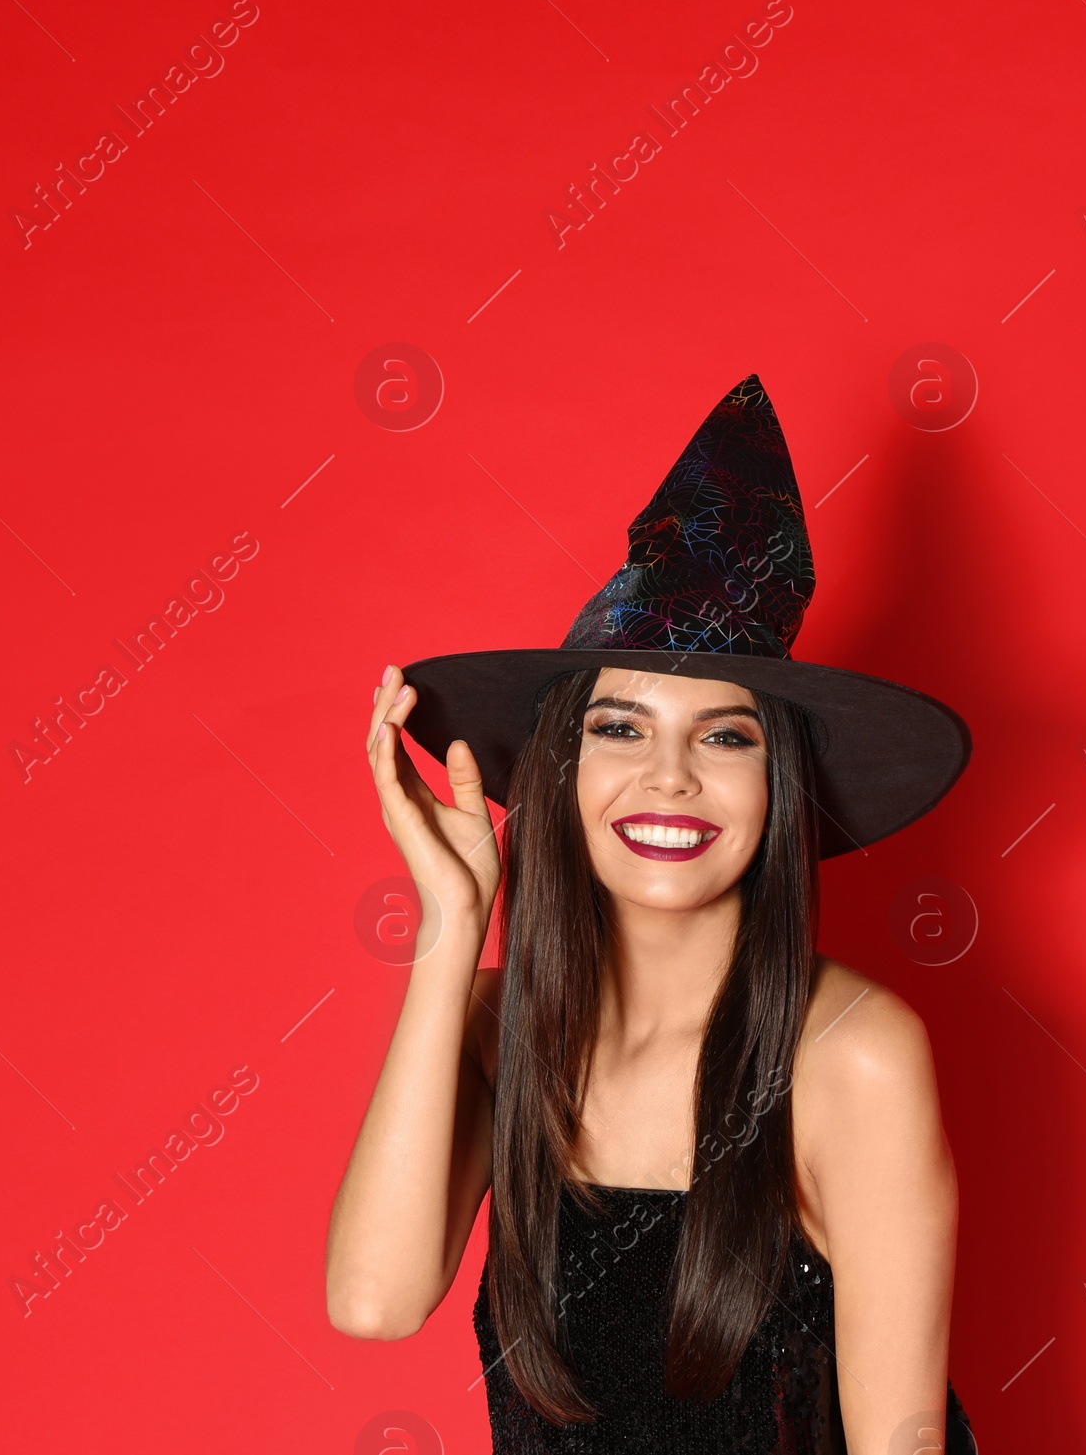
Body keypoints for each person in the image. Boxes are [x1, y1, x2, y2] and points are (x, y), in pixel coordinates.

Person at [326, 377, 979, 1453]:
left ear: (779, 788)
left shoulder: (851, 1054)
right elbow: (373, 1299)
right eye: (621, 728)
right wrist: (450, 936)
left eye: (726, 737)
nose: (668, 777)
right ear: (560, 770)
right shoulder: (501, 1032)